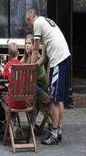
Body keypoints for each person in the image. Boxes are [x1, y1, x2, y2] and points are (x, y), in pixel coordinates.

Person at [25, 8, 71, 145]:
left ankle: (54, 134)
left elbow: (35, 49)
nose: (29, 27)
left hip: (58, 60)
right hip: (64, 57)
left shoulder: (38, 23)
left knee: (55, 100)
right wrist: (34, 68)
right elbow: (43, 58)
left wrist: (30, 67)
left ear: (30, 19)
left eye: (27, 24)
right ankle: (58, 131)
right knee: (59, 98)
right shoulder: (45, 25)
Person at [2, 42, 26, 137]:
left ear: (9, 55)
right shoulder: (24, 65)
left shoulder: (8, 65)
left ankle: (11, 122)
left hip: (12, 102)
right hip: (24, 101)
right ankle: (14, 122)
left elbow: (4, 76)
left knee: (3, 98)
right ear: (18, 53)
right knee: (13, 97)